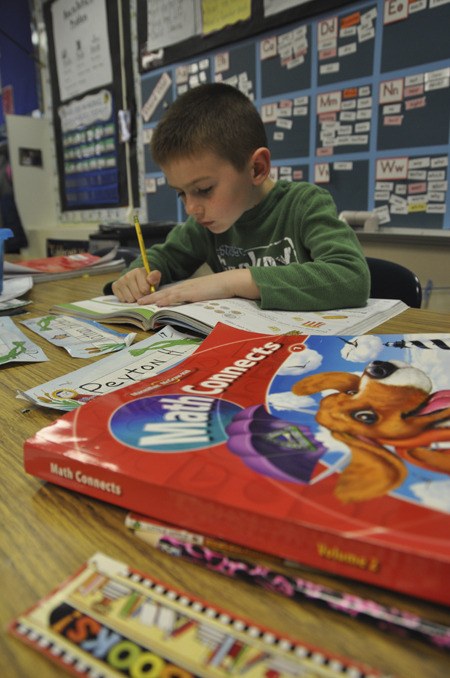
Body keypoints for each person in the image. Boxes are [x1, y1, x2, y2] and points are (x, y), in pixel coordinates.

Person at [111, 83, 370, 311]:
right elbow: (162, 258)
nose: (190, 208)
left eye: (203, 190)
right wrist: (137, 275)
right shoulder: (204, 226)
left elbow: (352, 277)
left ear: (256, 168)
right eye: (181, 193)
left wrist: (231, 281)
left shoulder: (304, 205)